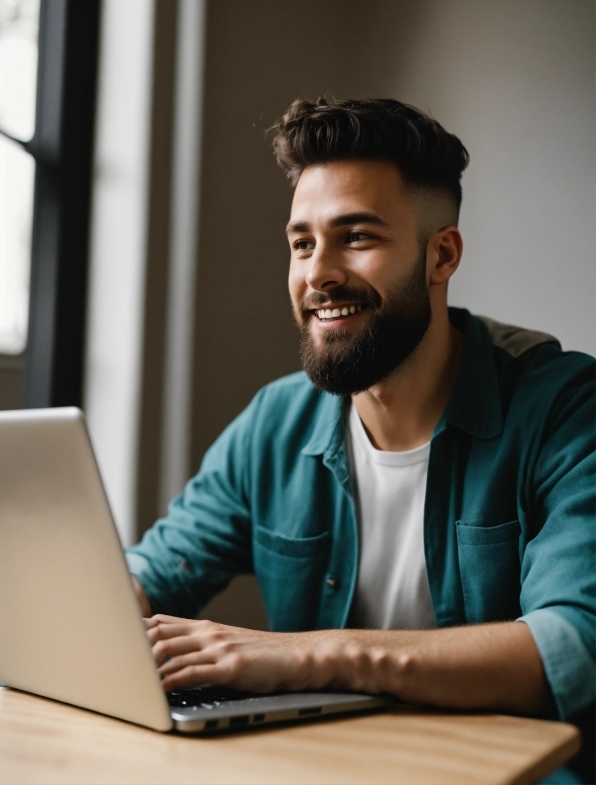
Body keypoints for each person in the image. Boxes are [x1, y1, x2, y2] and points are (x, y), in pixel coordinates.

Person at [126, 98, 594, 730]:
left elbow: (573, 646)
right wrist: (110, 598)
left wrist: (306, 655)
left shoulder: (566, 407)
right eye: (301, 243)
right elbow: (154, 572)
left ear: (442, 257)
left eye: (356, 237)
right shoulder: (276, 421)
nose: (318, 274)